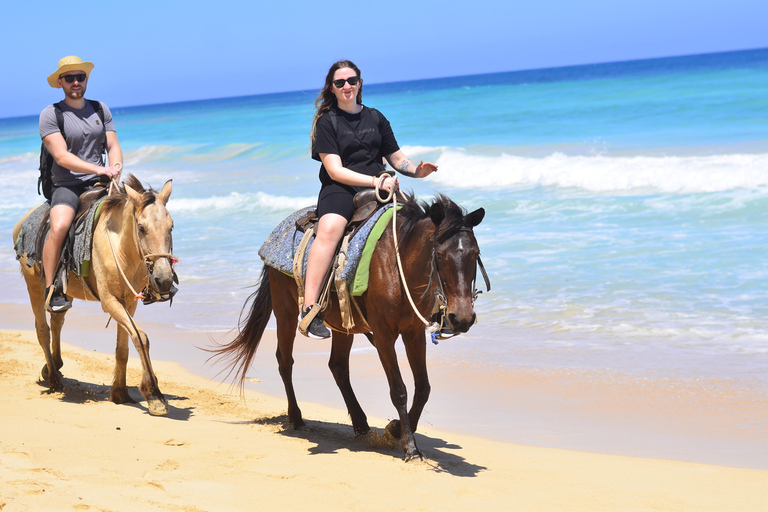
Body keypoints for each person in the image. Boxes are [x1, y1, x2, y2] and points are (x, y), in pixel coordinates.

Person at [302, 60, 438, 339]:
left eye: (351, 80)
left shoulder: (376, 117)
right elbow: (335, 170)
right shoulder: (326, 122)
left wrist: (416, 171)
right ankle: (310, 308)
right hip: (340, 190)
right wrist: (375, 180)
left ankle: (438, 307)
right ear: (332, 88)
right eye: (340, 83)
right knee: (328, 232)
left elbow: (396, 158)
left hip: (380, 189)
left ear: (360, 83)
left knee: (426, 229)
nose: (347, 86)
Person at [39, 56, 123, 312]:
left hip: (101, 182)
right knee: (61, 224)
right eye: (69, 78)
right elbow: (62, 156)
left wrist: (116, 169)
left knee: (143, 213)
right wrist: (99, 168)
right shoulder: (51, 114)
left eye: (80, 77)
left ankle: (152, 279)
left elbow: (113, 145)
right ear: (61, 83)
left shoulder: (100, 109)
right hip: (68, 184)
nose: (76, 82)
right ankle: (52, 288)